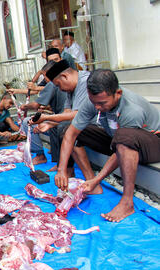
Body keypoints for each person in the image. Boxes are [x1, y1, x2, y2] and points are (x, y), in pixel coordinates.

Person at [55, 69, 160, 222]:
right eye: (94, 102)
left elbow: (122, 148)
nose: (97, 107)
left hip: (152, 143)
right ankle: (91, 184)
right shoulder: (95, 101)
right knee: (68, 130)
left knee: (124, 137)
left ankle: (127, 202)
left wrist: (99, 178)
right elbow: (71, 134)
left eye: (102, 103)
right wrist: (61, 170)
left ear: (118, 93)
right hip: (118, 138)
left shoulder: (132, 109)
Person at [30, 59, 91, 176]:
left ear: (64, 76)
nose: (60, 89)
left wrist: (46, 118)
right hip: (85, 121)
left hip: (99, 123)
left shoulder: (84, 82)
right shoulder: (70, 89)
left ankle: (83, 176)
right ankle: (66, 169)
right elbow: (66, 113)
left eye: (58, 85)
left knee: (67, 129)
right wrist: (49, 123)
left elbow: (78, 115)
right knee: (62, 126)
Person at [18, 61, 69, 168]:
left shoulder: (52, 84)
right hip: (63, 116)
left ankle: (42, 155)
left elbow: (37, 105)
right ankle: (58, 161)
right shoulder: (60, 83)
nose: (45, 79)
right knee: (53, 124)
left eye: (45, 76)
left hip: (63, 118)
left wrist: (25, 107)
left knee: (28, 122)